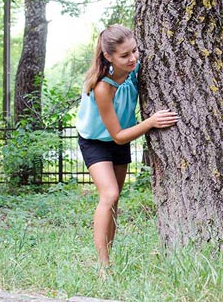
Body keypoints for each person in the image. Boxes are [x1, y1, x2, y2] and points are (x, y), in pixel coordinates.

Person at [76, 24, 179, 267]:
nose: (133, 58)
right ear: (108, 56)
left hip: (119, 140)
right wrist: (151, 122)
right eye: (124, 55)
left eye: (134, 51)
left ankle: (108, 258)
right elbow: (120, 135)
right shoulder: (103, 87)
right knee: (109, 194)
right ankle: (102, 267)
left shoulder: (133, 69)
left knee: (115, 200)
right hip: (96, 142)